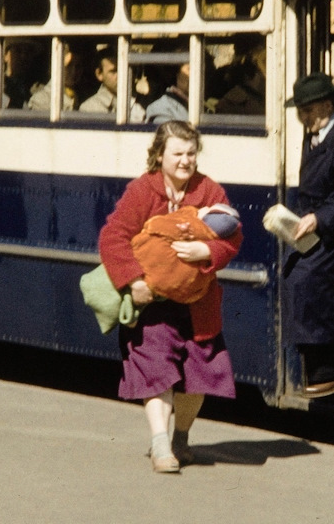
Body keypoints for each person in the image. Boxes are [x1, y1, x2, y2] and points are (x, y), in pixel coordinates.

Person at [98, 120, 242, 474]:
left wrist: (206, 251)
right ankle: (160, 444)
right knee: (156, 369)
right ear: (160, 155)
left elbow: (233, 237)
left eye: (191, 153)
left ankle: (181, 437)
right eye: (177, 153)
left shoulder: (208, 191)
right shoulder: (141, 191)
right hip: (153, 303)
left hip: (199, 303)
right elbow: (112, 237)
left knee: (199, 375)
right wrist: (133, 282)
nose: (185, 160)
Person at [283, 72, 334, 397]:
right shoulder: (314, 134)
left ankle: (332, 369)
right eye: (300, 112)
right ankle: (316, 368)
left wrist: (318, 219)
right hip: (315, 223)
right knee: (292, 272)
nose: (304, 119)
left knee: (306, 278)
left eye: (309, 111)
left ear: (327, 106)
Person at [77, 54, 145, 120]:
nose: (121, 75)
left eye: (125, 69)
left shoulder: (141, 102)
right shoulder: (90, 108)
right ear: (99, 74)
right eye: (114, 71)